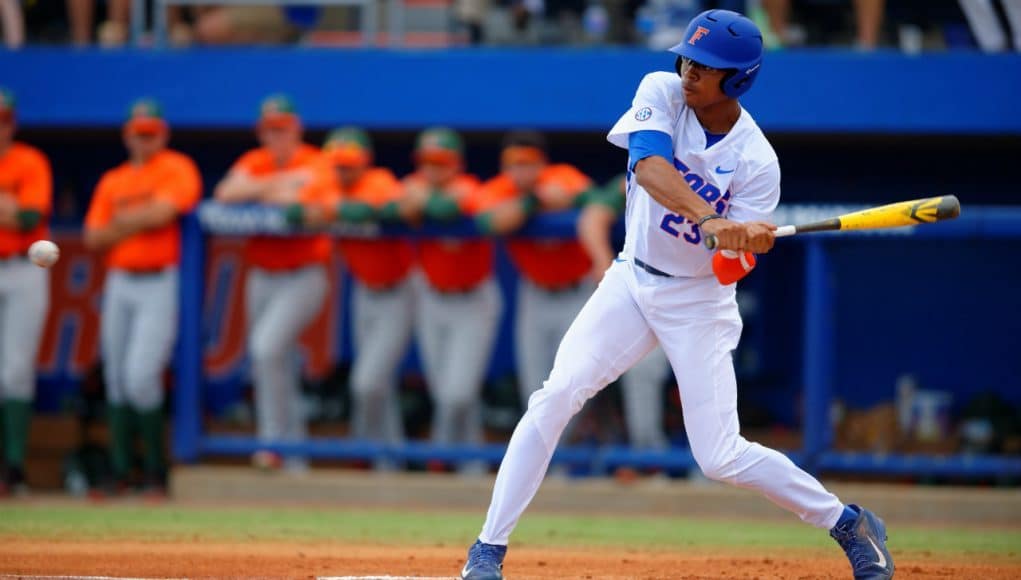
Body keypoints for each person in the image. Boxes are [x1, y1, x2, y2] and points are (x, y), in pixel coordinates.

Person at [459, 10, 894, 580]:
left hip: (697, 302)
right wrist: (712, 216)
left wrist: (742, 242)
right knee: (557, 392)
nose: (689, 71)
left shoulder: (758, 162)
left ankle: (847, 521)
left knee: (719, 456)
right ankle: (487, 550)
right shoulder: (660, 90)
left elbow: (727, 271)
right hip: (631, 280)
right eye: (687, 58)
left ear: (736, 79)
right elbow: (648, 167)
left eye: (706, 66)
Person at [214, 95, 337, 472]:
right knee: (275, 360)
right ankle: (294, 451)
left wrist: (260, 189)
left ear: (296, 129)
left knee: (266, 350)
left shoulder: (316, 161)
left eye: (282, 128)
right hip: (262, 275)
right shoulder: (255, 161)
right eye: (269, 129)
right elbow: (225, 193)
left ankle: (271, 443)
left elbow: (307, 202)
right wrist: (278, 184)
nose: (276, 135)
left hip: (304, 274)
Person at [84, 99, 201, 495]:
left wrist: (123, 222)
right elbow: (93, 236)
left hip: (158, 280)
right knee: (116, 378)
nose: (144, 140)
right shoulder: (113, 180)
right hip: (120, 280)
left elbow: (164, 213)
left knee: (141, 376)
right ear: (127, 135)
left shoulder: (176, 167)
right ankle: (122, 471)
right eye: (138, 134)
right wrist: (137, 219)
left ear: (162, 135)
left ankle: (155, 469)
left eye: (151, 133)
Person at [401, 128, 502, 464]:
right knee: (448, 391)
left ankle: (440, 459)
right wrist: (416, 201)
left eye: (441, 163)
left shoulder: (471, 187)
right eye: (427, 162)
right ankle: (470, 465)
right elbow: (399, 208)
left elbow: (456, 206)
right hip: (432, 298)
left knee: (455, 394)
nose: (433, 170)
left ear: (455, 164)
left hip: (473, 300)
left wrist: (426, 202)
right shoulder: (411, 186)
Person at [475, 130, 593, 415]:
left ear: (542, 163)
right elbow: (491, 223)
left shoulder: (562, 175)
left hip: (579, 293)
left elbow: (589, 197)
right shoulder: (499, 189)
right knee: (535, 385)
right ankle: (550, 458)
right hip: (535, 294)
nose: (521, 170)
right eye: (514, 163)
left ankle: (566, 457)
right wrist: (533, 202)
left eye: (528, 162)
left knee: (575, 382)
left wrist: (559, 199)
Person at [321, 127, 412, 455]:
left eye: (349, 163)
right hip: (363, 292)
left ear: (364, 162)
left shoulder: (379, 180)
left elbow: (394, 205)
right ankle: (388, 457)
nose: (343, 170)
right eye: (338, 164)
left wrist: (343, 207)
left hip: (398, 291)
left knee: (367, 382)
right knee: (379, 385)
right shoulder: (325, 182)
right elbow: (299, 206)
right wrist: (335, 206)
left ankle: (369, 448)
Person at [577, 174, 670, 452]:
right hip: (645, 291)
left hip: (698, 294)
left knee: (707, 383)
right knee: (639, 371)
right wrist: (603, 264)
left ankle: (706, 467)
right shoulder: (642, 174)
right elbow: (592, 217)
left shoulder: (716, 175)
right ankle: (650, 456)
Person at [0, 88, 52, 495]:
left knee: (15, 371)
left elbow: (28, 217)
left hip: (23, 267)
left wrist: (13, 209)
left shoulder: (29, 161)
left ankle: (13, 467)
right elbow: (13, 212)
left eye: (3, 119)